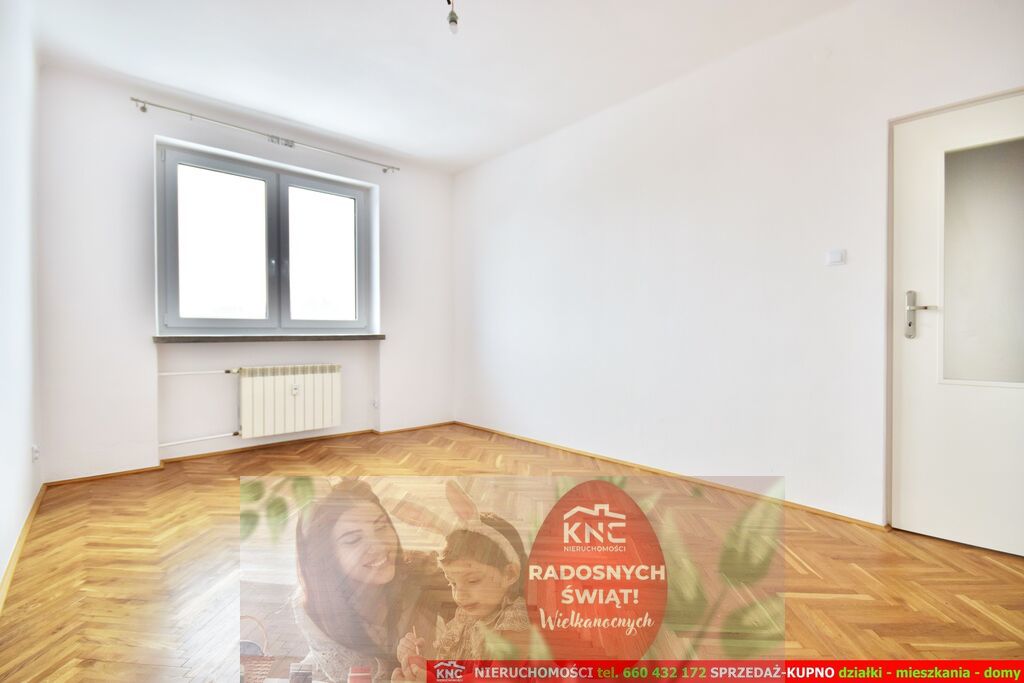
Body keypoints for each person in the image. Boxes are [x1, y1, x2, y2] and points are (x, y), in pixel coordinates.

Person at [294, 479, 453, 682]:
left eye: (381, 527)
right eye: (353, 539)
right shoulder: (314, 609)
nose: (379, 545)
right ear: (327, 556)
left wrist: (440, 525)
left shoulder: (419, 577)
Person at [394, 483, 530, 680]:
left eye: (473, 580)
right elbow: (460, 672)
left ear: (509, 574)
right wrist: (421, 666)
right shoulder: (466, 619)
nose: (459, 595)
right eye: (453, 583)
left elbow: (499, 677)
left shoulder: (517, 619)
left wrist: (432, 680)